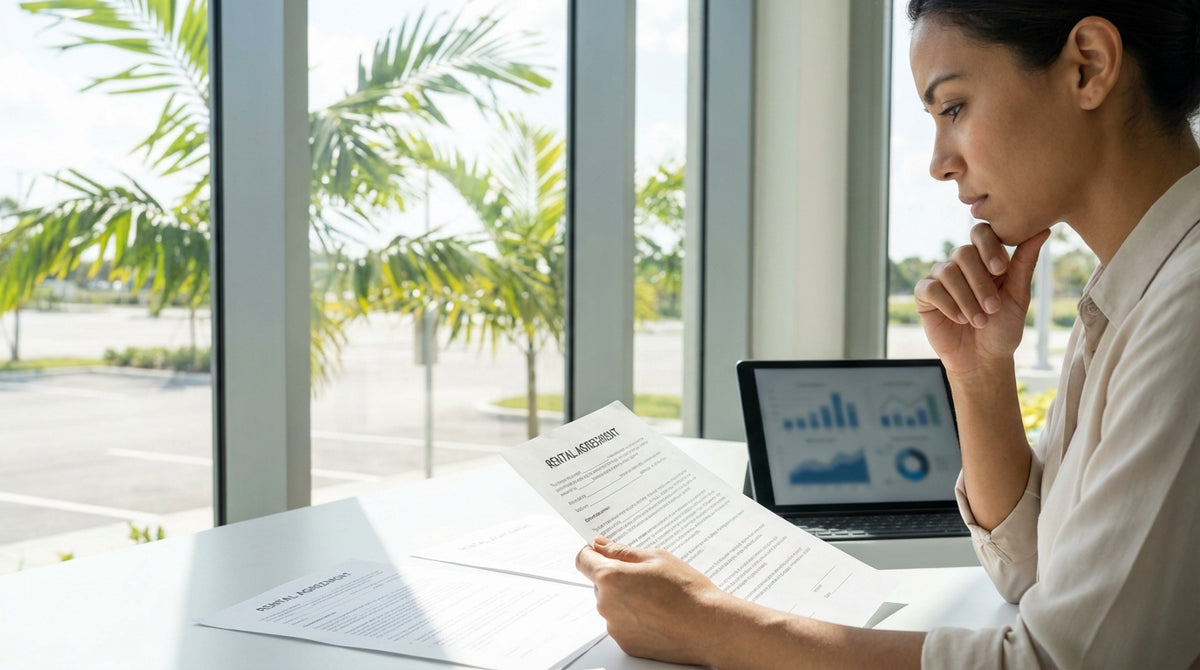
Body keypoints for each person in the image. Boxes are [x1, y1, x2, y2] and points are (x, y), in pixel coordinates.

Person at [575, 1, 1200, 667]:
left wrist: (709, 626)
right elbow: (1034, 568)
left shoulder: (1186, 307)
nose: (938, 163)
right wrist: (979, 372)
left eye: (953, 107)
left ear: (1089, 66)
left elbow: (1060, 661)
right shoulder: (1133, 290)